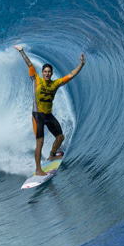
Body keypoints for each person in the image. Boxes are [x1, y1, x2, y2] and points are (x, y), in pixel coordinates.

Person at [13, 45, 86, 176]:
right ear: (42, 72)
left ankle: (52, 154)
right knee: (39, 142)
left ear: (51, 73)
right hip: (37, 115)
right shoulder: (36, 79)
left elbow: (71, 75)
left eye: (49, 72)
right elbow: (29, 64)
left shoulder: (55, 84)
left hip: (48, 115)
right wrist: (21, 51)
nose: (47, 73)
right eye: (45, 71)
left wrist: (81, 65)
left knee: (60, 137)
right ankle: (38, 169)